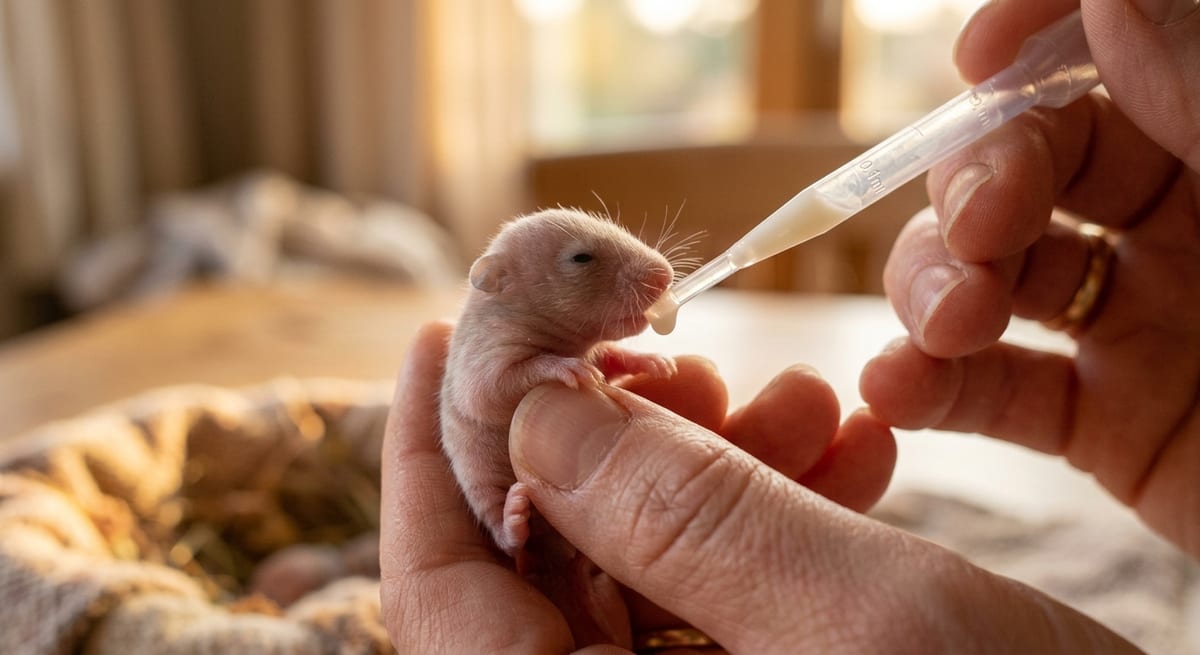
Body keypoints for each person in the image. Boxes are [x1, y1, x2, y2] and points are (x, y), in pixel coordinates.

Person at [379, 0, 1198, 652]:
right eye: (586, 263)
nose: (649, 268)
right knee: (508, 515)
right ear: (500, 286)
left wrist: (596, 363)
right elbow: (487, 392)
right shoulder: (488, 337)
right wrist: (554, 379)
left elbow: (566, 367)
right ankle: (511, 529)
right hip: (501, 486)